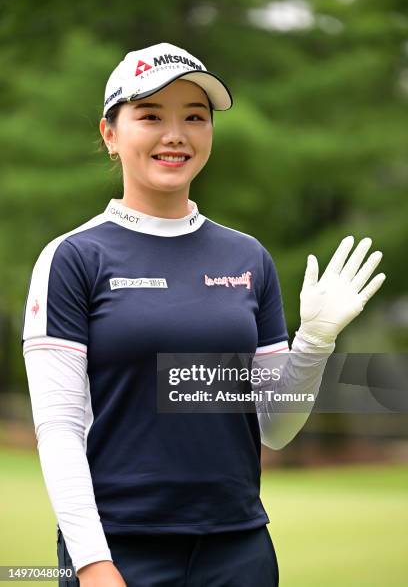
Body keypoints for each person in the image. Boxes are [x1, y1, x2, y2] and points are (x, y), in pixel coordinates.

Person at [21, 42, 385, 587]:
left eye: (196, 117)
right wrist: (94, 563)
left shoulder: (247, 257)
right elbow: (59, 428)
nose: (176, 134)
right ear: (110, 134)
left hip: (238, 548)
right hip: (120, 548)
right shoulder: (74, 257)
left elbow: (276, 428)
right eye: (150, 116)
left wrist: (314, 341)